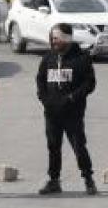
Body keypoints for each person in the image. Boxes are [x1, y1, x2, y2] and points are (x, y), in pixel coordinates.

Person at [36, 23, 98, 196]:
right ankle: (54, 181)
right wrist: (44, 98)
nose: (54, 41)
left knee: (79, 145)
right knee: (53, 146)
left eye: (57, 38)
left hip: (73, 113)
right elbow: (40, 80)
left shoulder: (81, 58)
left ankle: (88, 179)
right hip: (52, 113)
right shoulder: (48, 58)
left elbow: (89, 83)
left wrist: (72, 98)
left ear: (67, 39)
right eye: (52, 38)